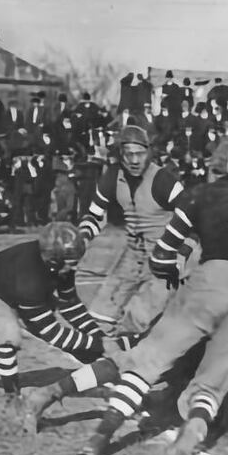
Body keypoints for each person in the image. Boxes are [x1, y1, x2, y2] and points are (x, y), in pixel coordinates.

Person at [22, 142, 228, 455]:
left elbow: (162, 254)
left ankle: (92, 429)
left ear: (212, 170)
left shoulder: (198, 197)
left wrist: (170, 278)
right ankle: (191, 432)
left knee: (141, 361)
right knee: (208, 387)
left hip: (206, 288)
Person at [0, 222, 119, 411]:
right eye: (71, 263)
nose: (74, 267)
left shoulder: (58, 262)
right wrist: (102, 345)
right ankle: (12, 395)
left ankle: (103, 370)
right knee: (6, 332)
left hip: (15, 289)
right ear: (53, 261)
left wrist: (98, 336)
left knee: (83, 342)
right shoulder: (30, 278)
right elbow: (51, 333)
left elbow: (70, 305)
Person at [77, 125, 188, 334]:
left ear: (149, 152)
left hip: (165, 256)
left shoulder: (163, 180)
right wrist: (82, 238)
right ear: (121, 154)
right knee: (99, 317)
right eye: (129, 154)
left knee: (139, 319)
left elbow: (191, 217)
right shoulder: (112, 177)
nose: (135, 160)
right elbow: (94, 214)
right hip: (133, 253)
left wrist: (182, 254)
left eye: (140, 153)